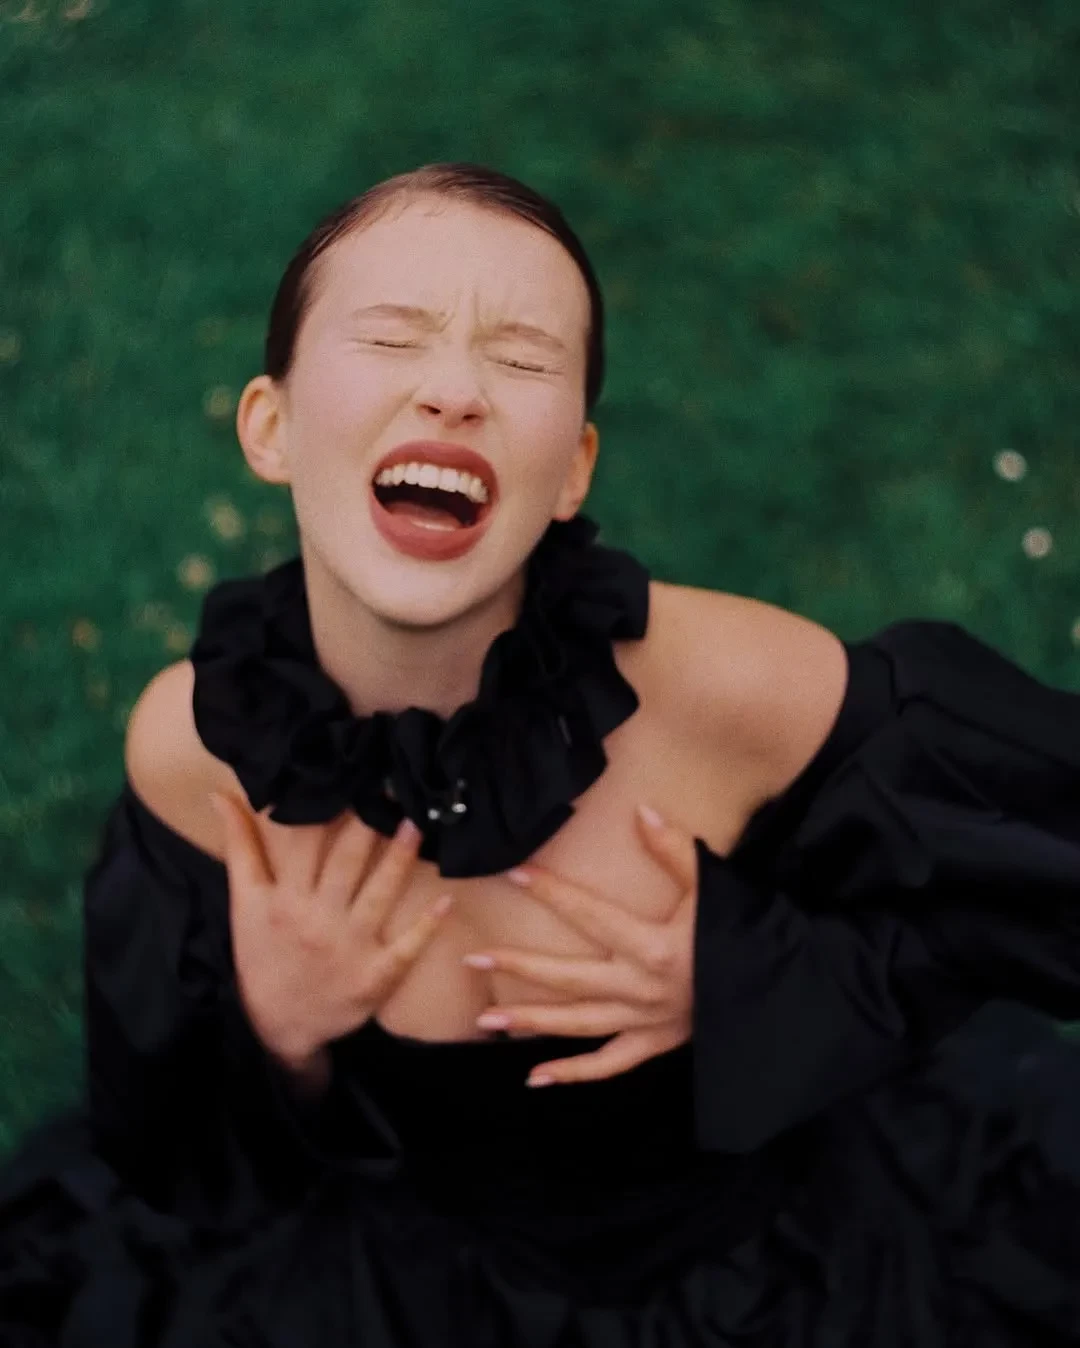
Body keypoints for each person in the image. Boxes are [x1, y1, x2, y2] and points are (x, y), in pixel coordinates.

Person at [2, 161, 1080, 1347]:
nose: (454, 389)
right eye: (391, 337)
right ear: (271, 425)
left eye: (520, 360)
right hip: (386, 1288)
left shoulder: (736, 692)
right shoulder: (195, 751)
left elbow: (1041, 883)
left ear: (572, 469)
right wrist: (282, 1025)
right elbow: (170, 1142)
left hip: (747, 1284)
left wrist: (748, 978)